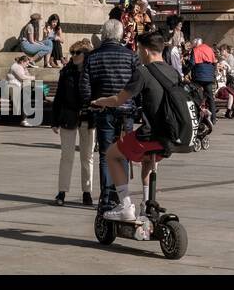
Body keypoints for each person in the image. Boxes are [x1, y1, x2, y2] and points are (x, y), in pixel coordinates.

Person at [91, 31, 182, 222]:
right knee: (149, 160)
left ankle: (125, 206)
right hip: (171, 136)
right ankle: (147, 204)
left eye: (139, 50)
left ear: (147, 51)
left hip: (150, 134)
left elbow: (118, 100)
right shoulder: (172, 72)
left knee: (112, 155)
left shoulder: (144, 71)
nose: (138, 54)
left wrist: (100, 101)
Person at [79, 18, 139, 207]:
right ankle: (121, 196)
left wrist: (91, 104)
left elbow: (85, 87)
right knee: (123, 153)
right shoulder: (131, 56)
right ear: (120, 35)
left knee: (106, 154)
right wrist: (133, 104)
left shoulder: (93, 57)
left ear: (103, 35)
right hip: (126, 111)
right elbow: (138, 84)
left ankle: (106, 197)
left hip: (103, 110)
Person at [51, 39, 95, 206]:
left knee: (87, 157)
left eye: (77, 53)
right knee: (66, 156)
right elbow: (59, 98)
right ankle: (62, 191)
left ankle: (87, 192)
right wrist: (54, 121)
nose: (74, 56)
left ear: (86, 55)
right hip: (68, 117)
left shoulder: (92, 72)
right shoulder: (66, 72)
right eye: (72, 53)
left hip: (88, 117)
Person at [188, 37, 217, 125]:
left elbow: (192, 63)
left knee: (195, 96)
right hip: (209, 77)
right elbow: (214, 62)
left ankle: (196, 116)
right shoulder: (209, 49)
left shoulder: (196, 50)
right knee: (210, 97)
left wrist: (186, 70)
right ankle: (213, 118)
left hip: (198, 76)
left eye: (193, 43)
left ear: (197, 43)